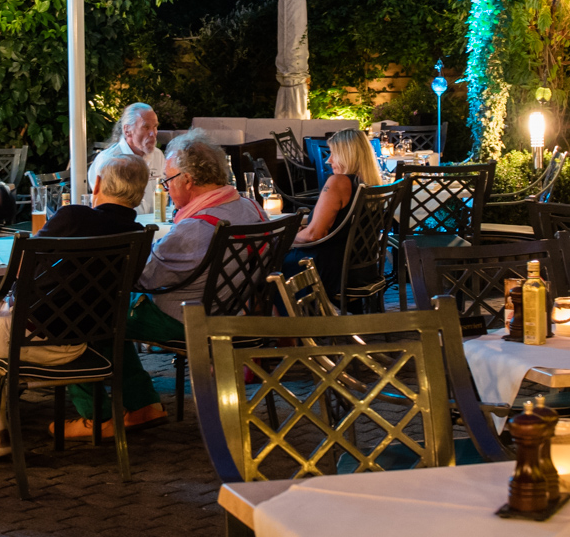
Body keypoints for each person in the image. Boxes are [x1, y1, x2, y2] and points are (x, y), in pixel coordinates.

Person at [0, 153, 158, 456]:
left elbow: (22, 269)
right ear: (140, 192)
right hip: (81, 342)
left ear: (97, 184)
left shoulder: (73, 217)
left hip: (26, 336)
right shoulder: (138, 235)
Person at [54, 130, 265, 438]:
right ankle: (142, 406)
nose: (165, 188)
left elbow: (141, 278)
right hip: (233, 312)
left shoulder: (194, 229)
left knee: (87, 313)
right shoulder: (249, 208)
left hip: (187, 319)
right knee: (110, 313)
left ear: (188, 180)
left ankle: (96, 417)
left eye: (168, 181)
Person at [282, 128, 382, 296]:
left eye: (334, 153)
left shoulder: (339, 182)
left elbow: (314, 234)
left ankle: (283, 321)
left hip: (329, 267)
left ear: (347, 155)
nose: (329, 160)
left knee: (266, 266)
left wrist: (284, 239)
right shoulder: (372, 184)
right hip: (363, 268)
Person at [87, 102, 164, 213]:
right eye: (146, 127)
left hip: (155, 226)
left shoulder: (158, 156)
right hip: (122, 227)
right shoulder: (108, 160)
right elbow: (101, 204)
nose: (153, 133)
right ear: (127, 130)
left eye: (155, 127)